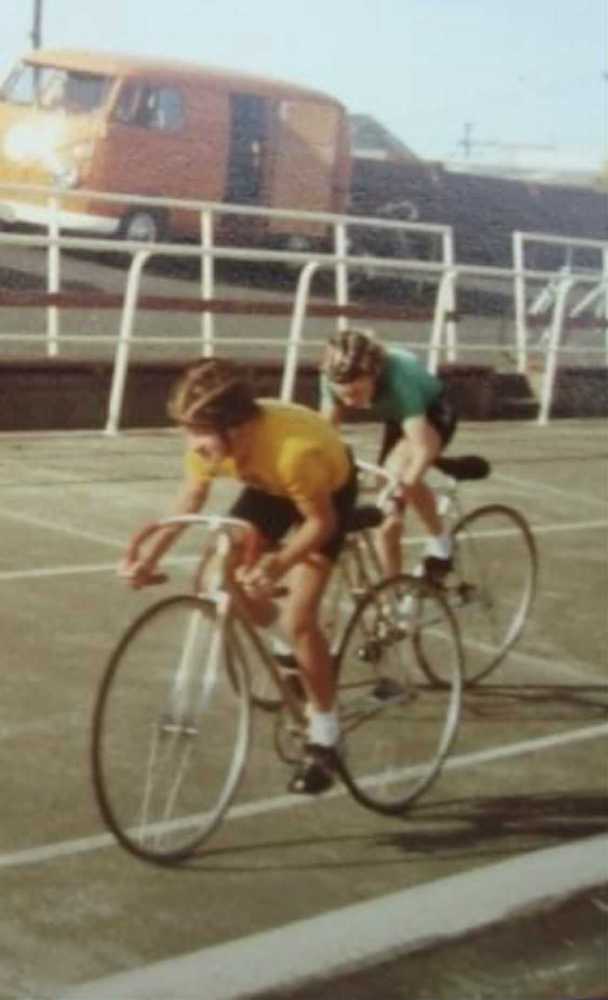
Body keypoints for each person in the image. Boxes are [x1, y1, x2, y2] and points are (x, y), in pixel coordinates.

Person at [119, 357, 358, 796]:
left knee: (301, 617)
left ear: (237, 427)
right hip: (267, 488)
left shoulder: (293, 452)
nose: (192, 443)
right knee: (218, 576)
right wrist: (150, 557)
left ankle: (326, 734)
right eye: (188, 431)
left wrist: (277, 564)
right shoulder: (214, 443)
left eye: (200, 432)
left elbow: (319, 525)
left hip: (323, 496)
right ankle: (286, 652)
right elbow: (189, 500)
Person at [319, 327, 458, 579]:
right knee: (386, 523)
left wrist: (399, 492)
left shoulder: (397, 379)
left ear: (373, 374)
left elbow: (422, 450)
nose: (350, 402)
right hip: (397, 416)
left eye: (357, 393)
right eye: (343, 395)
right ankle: (392, 593)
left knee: (400, 474)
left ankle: (441, 540)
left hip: (432, 413)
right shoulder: (331, 378)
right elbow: (324, 437)